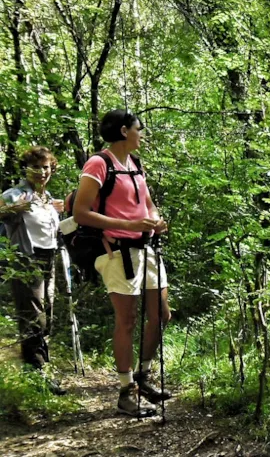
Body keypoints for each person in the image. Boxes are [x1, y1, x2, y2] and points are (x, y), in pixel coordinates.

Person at [72, 110, 170, 417]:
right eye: (139, 129)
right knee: (126, 321)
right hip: (116, 253)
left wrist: (155, 220)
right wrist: (129, 226)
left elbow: (147, 203)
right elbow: (81, 212)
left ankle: (144, 375)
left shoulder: (135, 164)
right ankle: (126, 392)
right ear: (125, 131)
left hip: (147, 249)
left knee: (161, 315)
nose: (142, 135)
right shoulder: (98, 163)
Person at [0, 146, 67, 395]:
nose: (41, 172)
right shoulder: (14, 195)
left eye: (46, 167)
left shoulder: (48, 198)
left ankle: (41, 368)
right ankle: (37, 373)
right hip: (25, 259)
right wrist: (11, 210)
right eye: (36, 167)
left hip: (49, 259)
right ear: (26, 169)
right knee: (33, 316)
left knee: (46, 314)